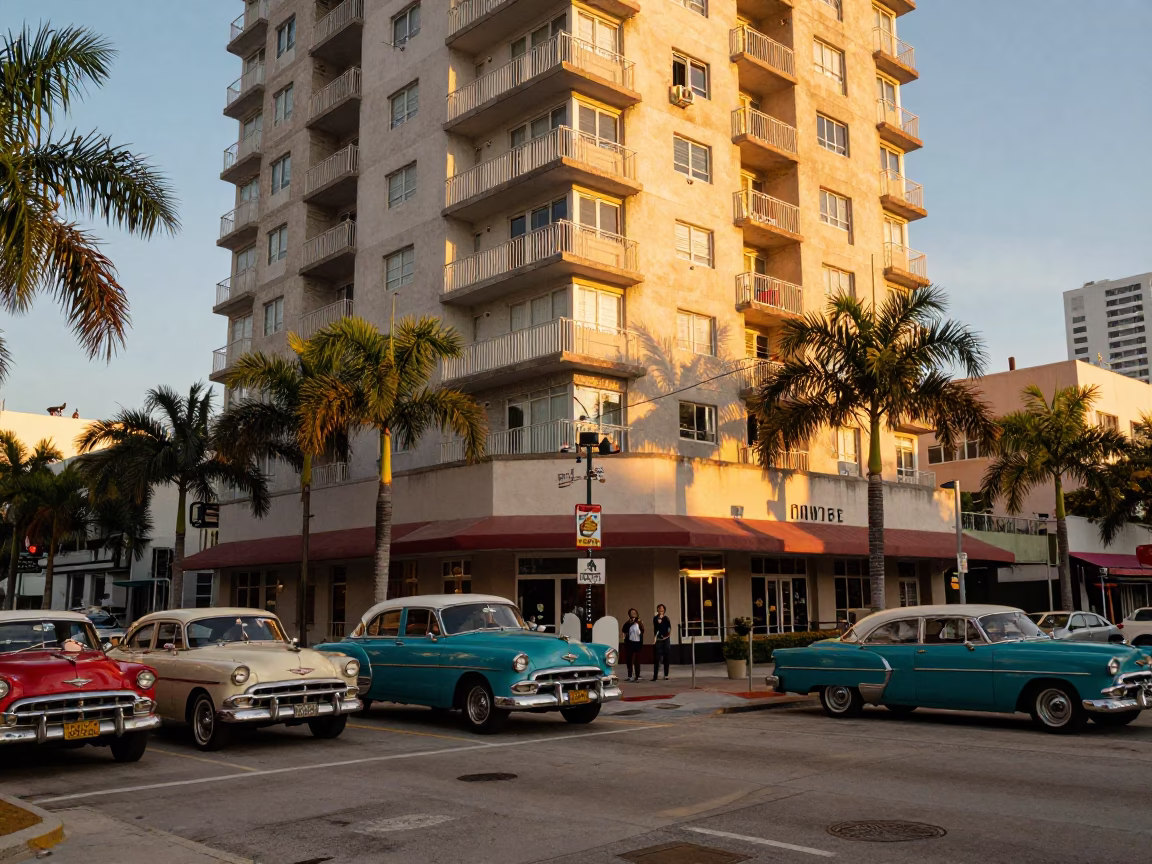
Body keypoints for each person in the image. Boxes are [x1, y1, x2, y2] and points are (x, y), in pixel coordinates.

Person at [621, 608, 644, 682]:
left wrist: (638, 623)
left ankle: (637, 676)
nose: (633, 613)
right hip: (630, 642)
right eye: (632, 613)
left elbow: (642, 631)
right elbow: (624, 630)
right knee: (629, 659)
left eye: (635, 612)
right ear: (629, 614)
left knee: (637, 660)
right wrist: (630, 623)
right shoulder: (628, 622)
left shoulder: (639, 622)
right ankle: (630, 675)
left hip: (637, 642)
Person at [652, 603, 671, 680]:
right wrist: (658, 621)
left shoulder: (666, 618)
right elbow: (656, 627)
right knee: (657, 658)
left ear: (664, 610)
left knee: (666, 657)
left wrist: (667, 635)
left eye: (662, 608)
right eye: (659, 608)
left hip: (666, 639)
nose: (661, 610)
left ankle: (666, 675)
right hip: (659, 640)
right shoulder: (655, 618)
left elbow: (669, 628)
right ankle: (655, 676)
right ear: (658, 610)